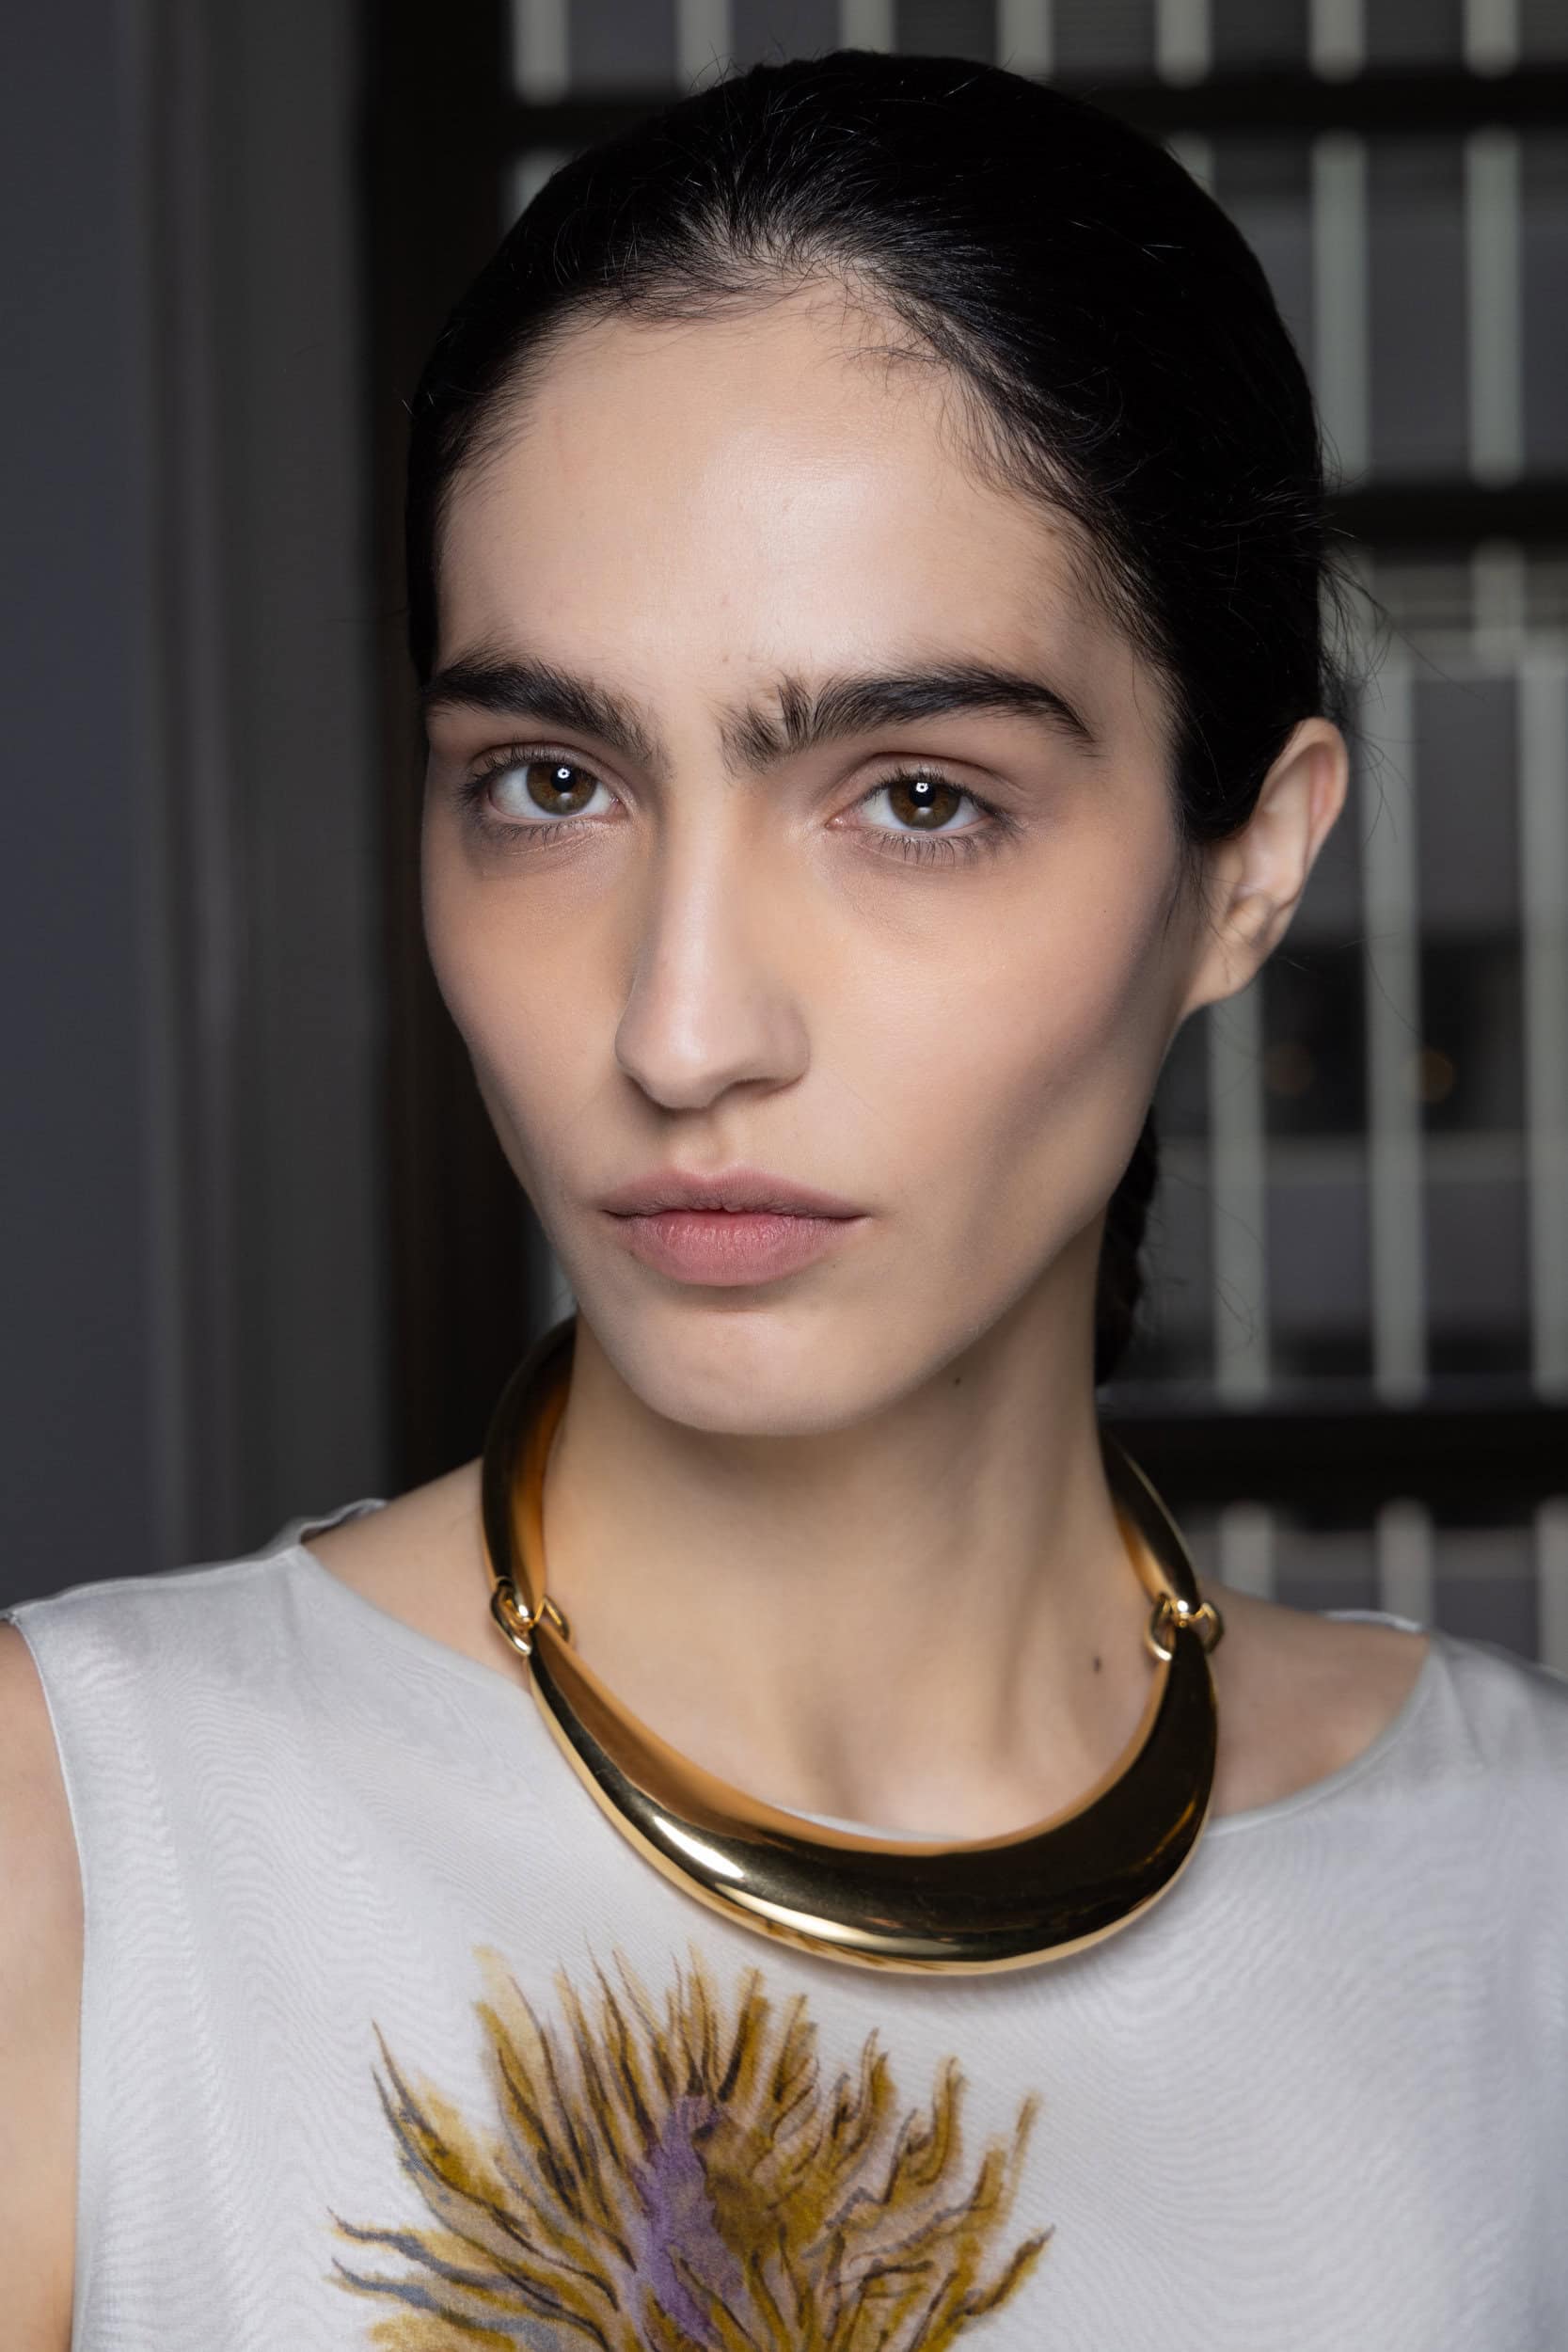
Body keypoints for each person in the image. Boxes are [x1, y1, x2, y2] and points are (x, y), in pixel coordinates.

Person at [2, 46, 1564, 2351]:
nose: (681, 1026)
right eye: (550, 781)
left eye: (917, 797)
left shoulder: (1519, 1897)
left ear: (1250, 864)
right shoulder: (76, 1853)